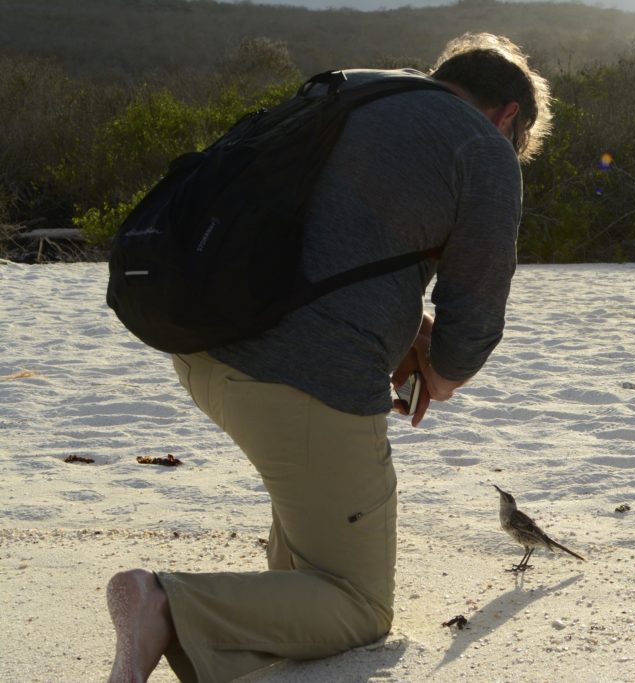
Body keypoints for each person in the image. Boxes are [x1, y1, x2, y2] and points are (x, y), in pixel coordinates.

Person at [105, 33, 552, 683]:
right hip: (297, 377)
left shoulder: (358, 87)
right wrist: (437, 372)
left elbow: (333, 240)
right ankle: (164, 603)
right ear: (509, 116)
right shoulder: (482, 147)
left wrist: (402, 328)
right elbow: (472, 325)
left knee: (314, 539)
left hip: (201, 341)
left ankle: (249, 623)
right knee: (357, 602)